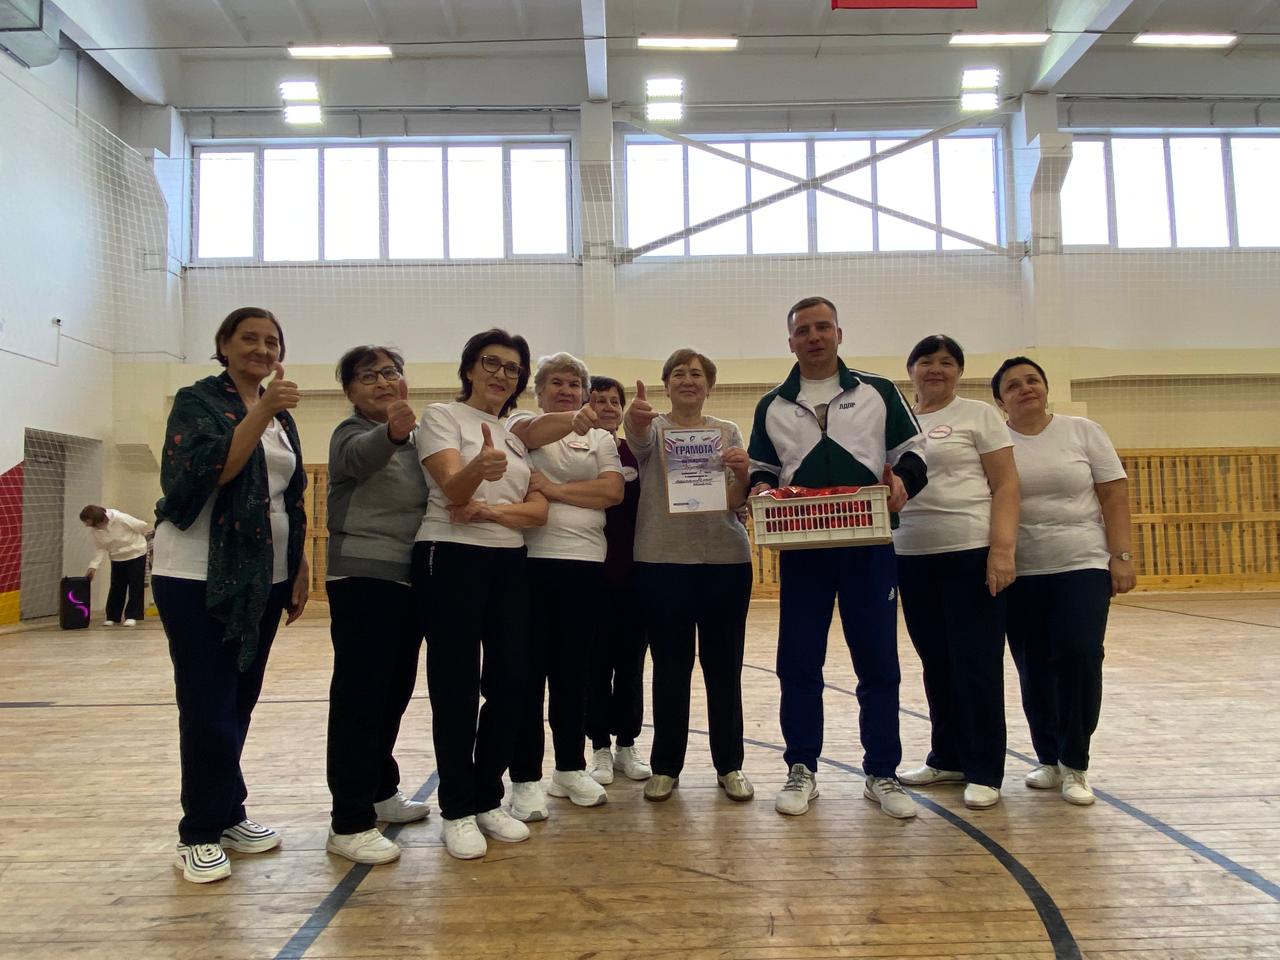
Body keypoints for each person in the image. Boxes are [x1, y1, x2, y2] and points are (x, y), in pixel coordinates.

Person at [747, 296, 927, 820]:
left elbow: (914, 454)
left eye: (823, 327)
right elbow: (763, 470)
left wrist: (904, 483)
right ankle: (801, 768)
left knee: (878, 662)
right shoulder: (772, 404)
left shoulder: (879, 391)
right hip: (804, 551)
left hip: (869, 547)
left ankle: (882, 772)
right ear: (791, 341)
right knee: (798, 662)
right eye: (803, 330)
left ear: (839, 334)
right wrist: (758, 490)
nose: (814, 337)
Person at [151, 307, 309, 884]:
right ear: (224, 344)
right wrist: (262, 409)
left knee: (239, 698)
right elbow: (210, 471)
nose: (262, 349)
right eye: (250, 339)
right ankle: (197, 831)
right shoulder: (197, 400)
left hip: (264, 575)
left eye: (272, 341)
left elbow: (289, 496)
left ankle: (227, 811)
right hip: (197, 574)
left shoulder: (279, 415)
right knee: (207, 702)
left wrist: (298, 564)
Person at [413, 328, 548, 860]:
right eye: (491, 363)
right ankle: (457, 807)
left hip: (509, 560)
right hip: (450, 555)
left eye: (512, 368)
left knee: (512, 682)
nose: (501, 374)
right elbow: (452, 490)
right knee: (456, 687)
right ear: (469, 367)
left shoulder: (514, 435)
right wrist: (477, 470)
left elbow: (536, 512)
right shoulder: (442, 416)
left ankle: (488, 795)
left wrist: (493, 508)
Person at [992, 356, 1135, 806]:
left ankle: (1076, 762)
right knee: (1033, 665)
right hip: (1021, 569)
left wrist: (1121, 556)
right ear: (1000, 402)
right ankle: (1048, 758)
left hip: (1082, 562)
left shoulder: (1083, 432)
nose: (1025, 388)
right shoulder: (996, 442)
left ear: (1046, 388)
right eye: (1013, 385)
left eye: (1032, 380)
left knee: (1080, 654)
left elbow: (1113, 493)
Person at [623, 348, 755, 804]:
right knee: (670, 668)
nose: (688, 380)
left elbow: (735, 500)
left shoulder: (727, 431)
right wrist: (634, 418)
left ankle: (730, 765)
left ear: (709, 386)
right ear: (666, 385)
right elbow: (637, 439)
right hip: (662, 563)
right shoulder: (652, 429)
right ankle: (666, 767)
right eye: (678, 373)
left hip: (725, 562)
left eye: (696, 374)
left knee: (724, 668)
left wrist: (742, 473)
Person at [893, 335, 1019, 810]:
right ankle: (947, 757)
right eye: (926, 361)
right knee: (936, 661)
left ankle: (985, 768)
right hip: (911, 554)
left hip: (969, 551)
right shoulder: (897, 420)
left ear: (959, 372)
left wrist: (1001, 551)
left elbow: (1006, 484)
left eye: (947, 362)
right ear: (911, 370)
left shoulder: (978, 415)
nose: (936, 369)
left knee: (977, 663)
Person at [324, 345, 431, 865]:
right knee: (360, 699)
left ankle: (380, 789)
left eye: (391, 372)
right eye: (369, 377)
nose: (383, 382)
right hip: (363, 578)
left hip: (409, 580)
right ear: (350, 390)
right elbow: (361, 457)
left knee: (393, 693)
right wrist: (390, 432)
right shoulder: (351, 433)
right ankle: (348, 820)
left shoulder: (416, 438)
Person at [505, 354, 624, 821]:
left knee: (574, 673)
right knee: (528, 674)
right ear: (539, 391)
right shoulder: (520, 425)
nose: (566, 390)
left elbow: (611, 492)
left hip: (586, 563)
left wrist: (552, 489)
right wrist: (581, 486)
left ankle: (570, 768)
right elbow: (533, 435)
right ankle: (524, 779)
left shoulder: (600, 438)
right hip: (530, 564)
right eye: (556, 382)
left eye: (574, 384)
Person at [583, 376, 652, 786]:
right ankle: (599, 747)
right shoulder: (577, 452)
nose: (607, 407)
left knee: (630, 664)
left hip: (635, 576)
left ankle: (627, 743)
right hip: (590, 575)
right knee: (594, 665)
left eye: (614, 401)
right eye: (598, 400)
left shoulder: (636, 453)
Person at [79, 504, 150, 626]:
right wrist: (93, 566)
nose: (87, 525)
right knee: (116, 586)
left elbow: (142, 525)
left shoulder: (120, 518)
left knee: (135, 585)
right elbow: (100, 548)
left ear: (98, 519)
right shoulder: (95, 531)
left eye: (88, 522)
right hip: (116, 557)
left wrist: (137, 541)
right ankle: (112, 616)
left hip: (136, 553)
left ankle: (132, 615)